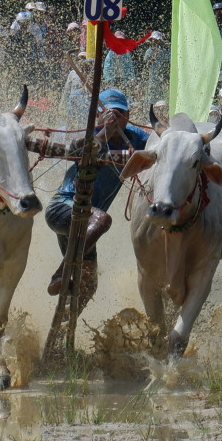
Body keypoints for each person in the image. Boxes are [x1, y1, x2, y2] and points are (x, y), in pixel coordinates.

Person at [44, 88, 147, 298]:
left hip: (87, 227)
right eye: (109, 114)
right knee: (102, 220)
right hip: (63, 209)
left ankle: (62, 328)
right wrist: (105, 133)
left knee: (88, 288)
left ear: (128, 117)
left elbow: (158, 145)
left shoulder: (136, 139)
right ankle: (61, 273)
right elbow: (81, 150)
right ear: (99, 116)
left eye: (120, 114)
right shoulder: (88, 139)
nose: (115, 119)